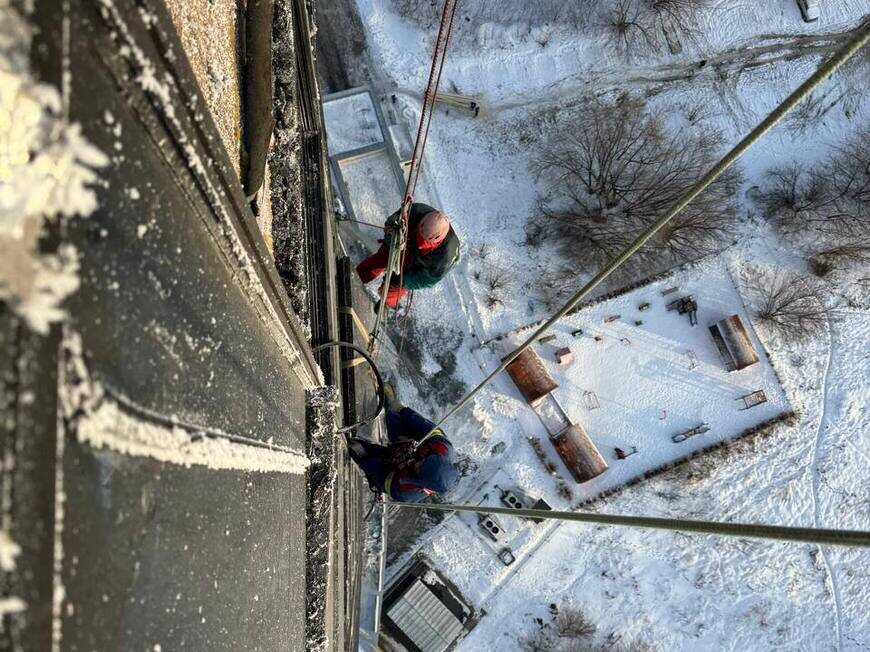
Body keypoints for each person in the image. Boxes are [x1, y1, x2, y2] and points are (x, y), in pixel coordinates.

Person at [347, 387, 459, 502]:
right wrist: (401, 409)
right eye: (424, 460)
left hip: (393, 466)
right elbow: (422, 425)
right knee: (394, 417)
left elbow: (380, 476)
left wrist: (363, 456)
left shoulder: (406, 492)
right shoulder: (442, 447)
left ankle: (356, 446)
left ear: (421, 481)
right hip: (408, 442)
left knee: (361, 452)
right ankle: (389, 403)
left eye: (419, 467)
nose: (418, 462)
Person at [356, 203, 460, 309]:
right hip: (402, 244)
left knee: (395, 286)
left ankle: (386, 304)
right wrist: (392, 239)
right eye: (420, 234)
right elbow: (390, 224)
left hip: (417, 264)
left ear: (437, 240)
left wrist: (404, 280)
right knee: (380, 259)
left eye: (424, 241)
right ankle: (355, 277)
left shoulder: (445, 258)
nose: (420, 243)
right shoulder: (414, 211)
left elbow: (425, 280)